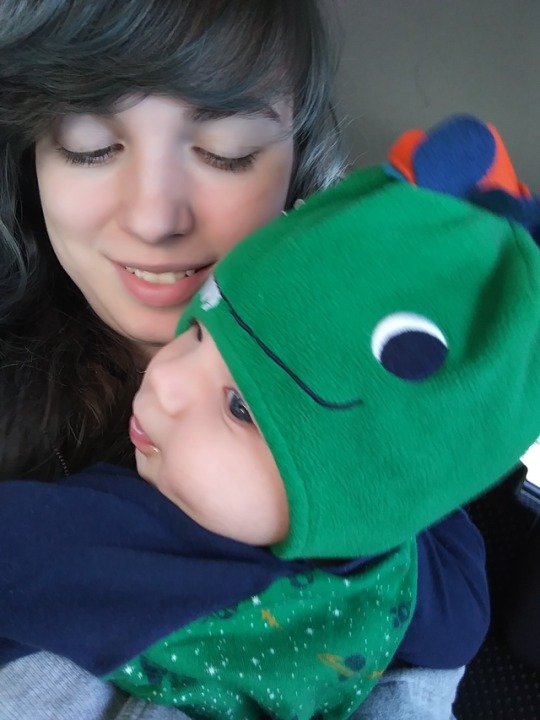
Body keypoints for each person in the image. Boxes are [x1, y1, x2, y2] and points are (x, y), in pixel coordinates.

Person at [0, 0, 493, 716]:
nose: (154, 218)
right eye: (89, 145)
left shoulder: (380, 422)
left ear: (299, 167)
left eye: (226, 151)